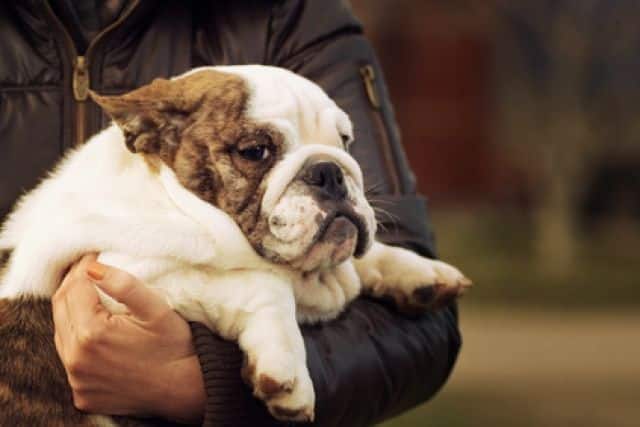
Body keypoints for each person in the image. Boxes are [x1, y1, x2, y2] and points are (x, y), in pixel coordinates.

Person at [0, 1, 461, 426]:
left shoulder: (293, 17)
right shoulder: (111, 215)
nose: (329, 178)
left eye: (340, 143)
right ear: (151, 134)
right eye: (257, 151)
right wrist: (260, 306)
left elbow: (422, 339)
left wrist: (200, 382)